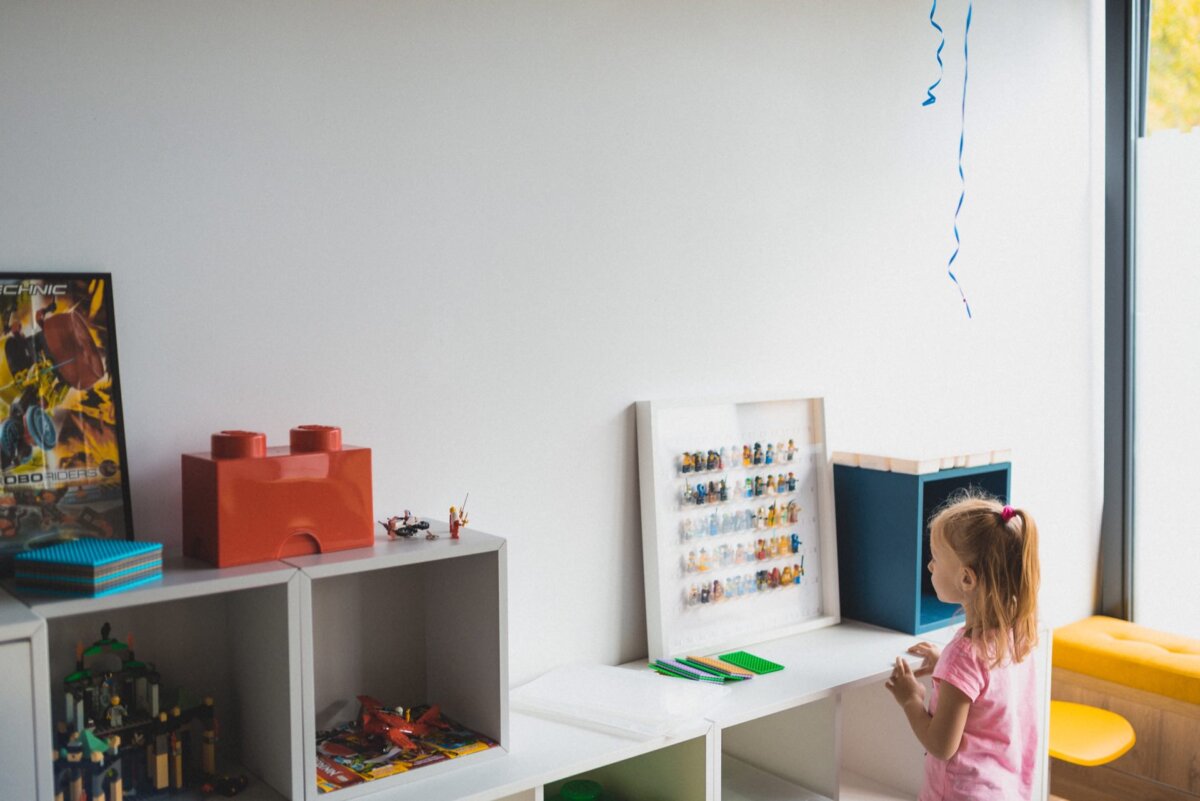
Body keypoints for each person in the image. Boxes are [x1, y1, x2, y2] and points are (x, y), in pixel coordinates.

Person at [885, 491, 1041, 801]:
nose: (930, 567)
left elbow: (941, 745)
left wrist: (910, 699)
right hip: (1007, 790)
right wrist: (945, 663)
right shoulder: (1018, 634)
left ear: (967, 579)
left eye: (936, 559)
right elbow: (990, 692)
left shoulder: (964, 654)